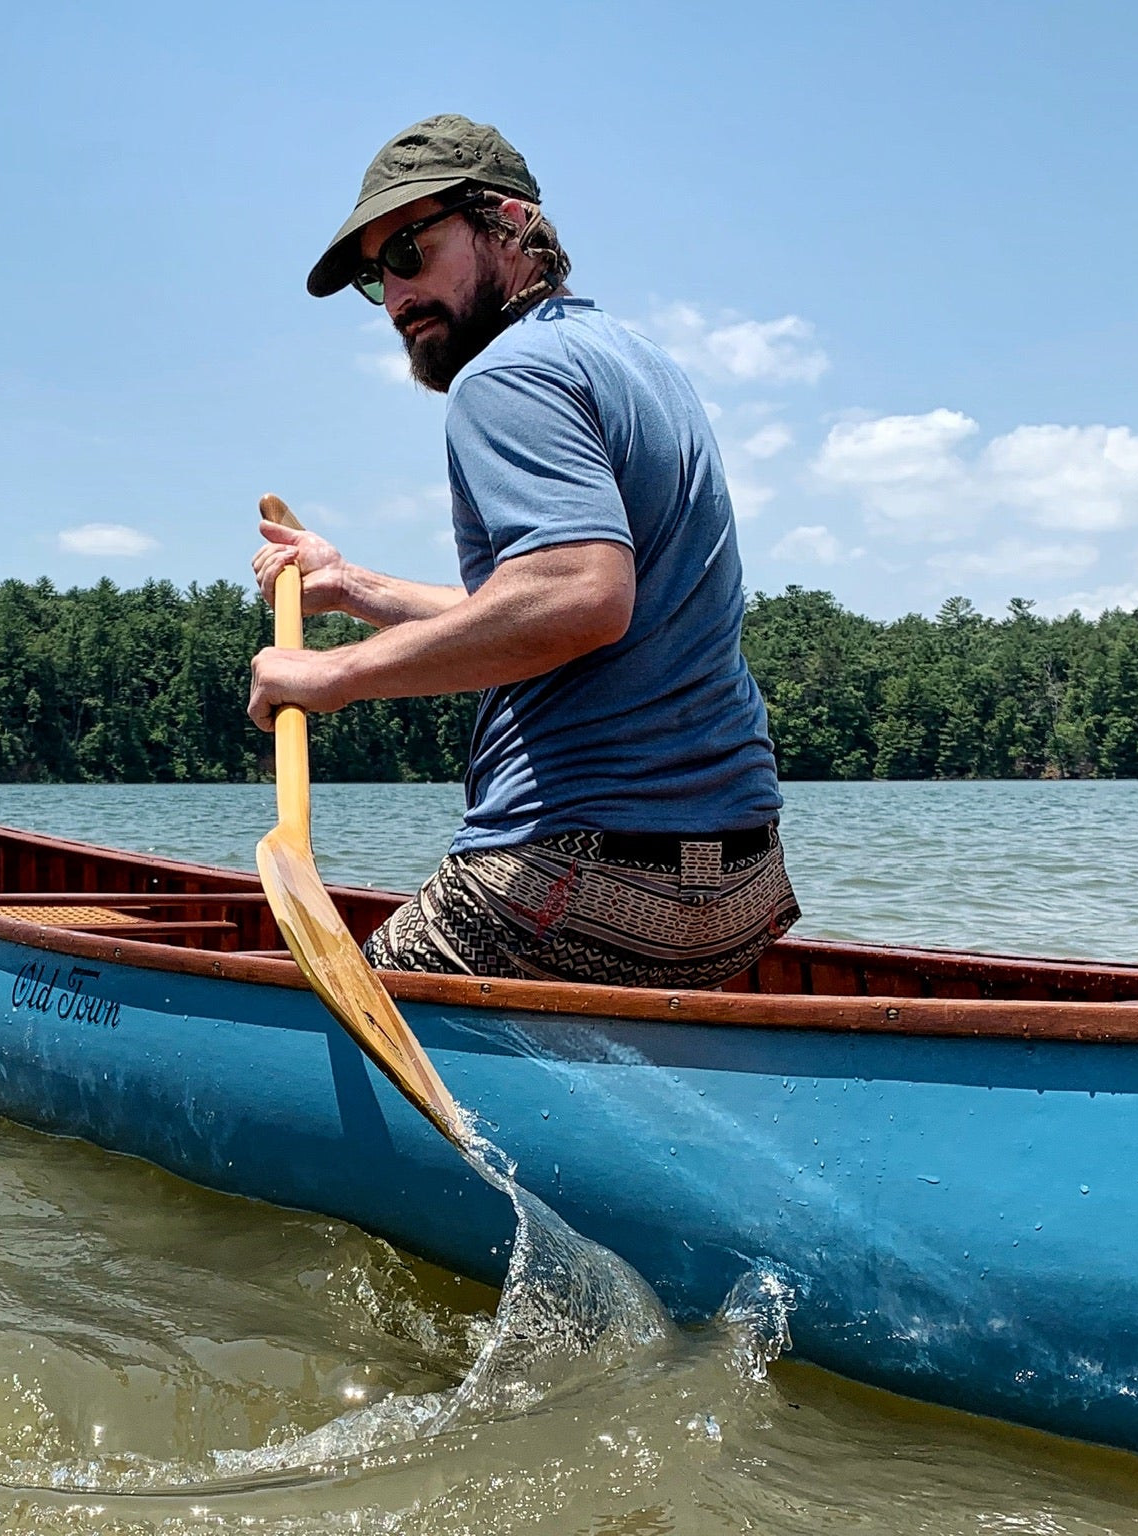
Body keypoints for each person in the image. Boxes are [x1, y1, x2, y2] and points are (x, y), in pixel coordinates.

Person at [249, 114, 798, 989]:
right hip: (740, 887)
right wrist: (353, 585)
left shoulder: (505, 375)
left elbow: (579, 597)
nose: (394, 298)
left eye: (409, 252)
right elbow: (560, 604)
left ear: (511, 223)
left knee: (318, 1036)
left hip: (580, 875)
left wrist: (329, 677)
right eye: (373, 276)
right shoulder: (638, 361)